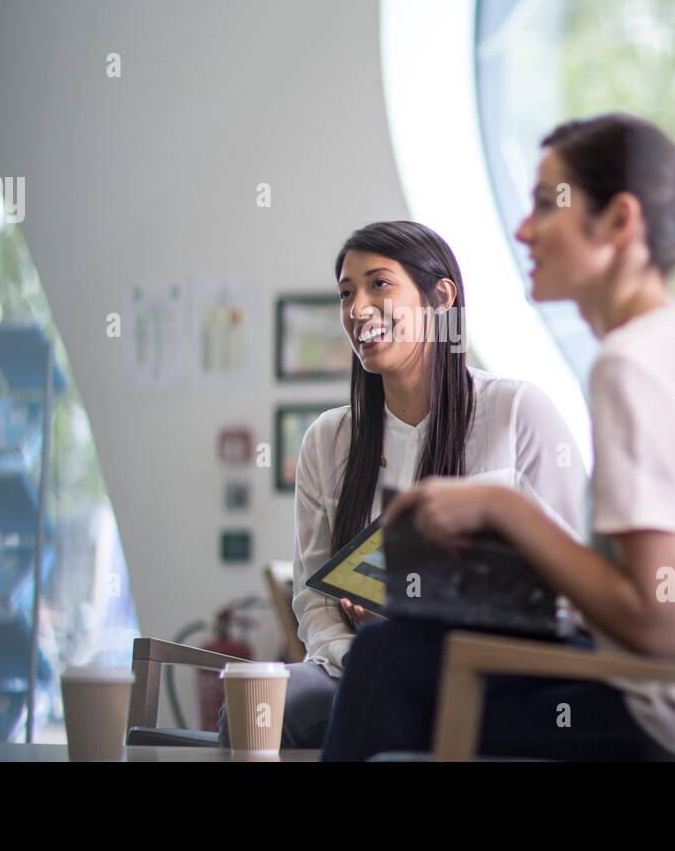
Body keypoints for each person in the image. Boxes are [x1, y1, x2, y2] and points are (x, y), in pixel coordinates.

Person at [321, 113, 675, 761]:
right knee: (400, 655)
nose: (522, 229)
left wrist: (504, 508)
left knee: (390, 663)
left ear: (619, 222)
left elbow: (656, 624)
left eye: (544, 205)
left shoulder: (632, 363)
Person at [218, 220, 587, 748]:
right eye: (346, 293)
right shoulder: (327, 439)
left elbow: (574, 583)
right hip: (358, 670)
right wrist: (364, 658)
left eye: (379, 284)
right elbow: (314, 602)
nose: (357, 308)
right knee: (259, 712)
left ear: (441, 298)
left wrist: (411, 618)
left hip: (492, 670)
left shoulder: (516, 411)